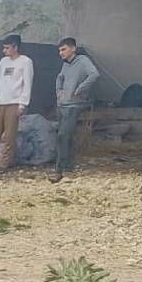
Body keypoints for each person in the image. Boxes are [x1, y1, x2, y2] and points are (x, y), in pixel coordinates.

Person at [52, 37, 100, 182]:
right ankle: (67, 166)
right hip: (62, 104)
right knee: (64, 136)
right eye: (59, 50)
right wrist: (58, 91)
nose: (61, 53)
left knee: (63, 135)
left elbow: (95, 74)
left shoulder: (83, 60)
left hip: (75, 104)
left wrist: (81, 88)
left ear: (73, 48)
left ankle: (60, 169)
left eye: (64, 49)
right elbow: (59, 78)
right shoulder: (65, 64)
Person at [0, 34, 33, 173]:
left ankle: (3, 164)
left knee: (8, 136)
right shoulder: (3, 62)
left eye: (7, 48)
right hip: (0, 101)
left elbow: (27, 83)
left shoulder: (25, 62)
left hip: (14, 102)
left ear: (15, 47)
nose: (4, 51)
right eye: (4, 48)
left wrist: (23, 104)